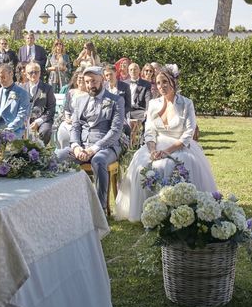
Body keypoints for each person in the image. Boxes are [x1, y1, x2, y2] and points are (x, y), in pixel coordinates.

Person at [114, 65, 217, 222]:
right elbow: (149, 130)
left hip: (179, 146)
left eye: (165, 82)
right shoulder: (154, 104)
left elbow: (188, 134)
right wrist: (152, 149)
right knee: (141, 164)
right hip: (156, 145)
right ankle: (150, 210)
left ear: (173, 82)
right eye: (158, 83)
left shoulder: (186, 103)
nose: (161, 86)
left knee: (178, 164)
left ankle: (179, 209)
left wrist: (167, 151)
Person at [56, 66, 125, 212]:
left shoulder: (116, 100)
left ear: (102, 80)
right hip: (82, 146)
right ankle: (61, 207)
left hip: (107, 147)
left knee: (98, 161)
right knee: (57, 156)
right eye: (87, 82)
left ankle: (100, 210)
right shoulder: (80, 100)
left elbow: (115, 131)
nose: (90, 85)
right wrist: (75, 146)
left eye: (93, 81)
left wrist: (93, 149)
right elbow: (75, 127)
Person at [25, 62, 56, 144]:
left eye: (36, 72)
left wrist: (38, 121)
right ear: (26, 74)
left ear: (40, 73)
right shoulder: (21, 88)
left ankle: (41, 153)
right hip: (25, 120)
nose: (34, 74)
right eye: (31, 72)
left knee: (45, 131)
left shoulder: (47, 88)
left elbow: (51, 108)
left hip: (42, 120)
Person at [56, 68, 88, 149]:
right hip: (69, 120)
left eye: (83, 78)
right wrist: (67, 118)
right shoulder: (71, 92)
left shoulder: (89, 94)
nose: (81, 80)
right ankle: (64, 152)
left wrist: (76, 121)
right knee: (62, 129)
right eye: (79, 78)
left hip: (82, 121)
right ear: (76, 80)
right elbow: (66, 108)